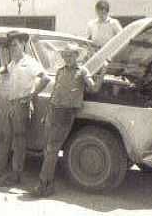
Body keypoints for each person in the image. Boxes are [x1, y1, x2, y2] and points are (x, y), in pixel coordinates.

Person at [0, 30, 50, 187]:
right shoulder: (13, 62)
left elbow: (45, 78)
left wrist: (32, 94)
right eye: (10, 46)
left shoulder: (30, 62)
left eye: (15, 45)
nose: (13, 48)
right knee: (3, 139)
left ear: (23, 44)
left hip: (21, 105)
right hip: (11, 104)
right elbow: (6, 68)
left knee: (18, 141)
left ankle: (16, 175)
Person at [30, 42, 102, 198]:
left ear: (77, 56)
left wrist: (102, 73)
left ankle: (43, 184)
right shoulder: (60, 71)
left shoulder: (82, 71)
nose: (67, 58)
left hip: (66, 113)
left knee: (52, 149)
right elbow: (55, 92)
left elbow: (94, 88)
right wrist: (47, 114)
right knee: (47, 148)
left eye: (70, 55)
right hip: (53, 111)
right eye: (65, 55)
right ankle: (48, 184)